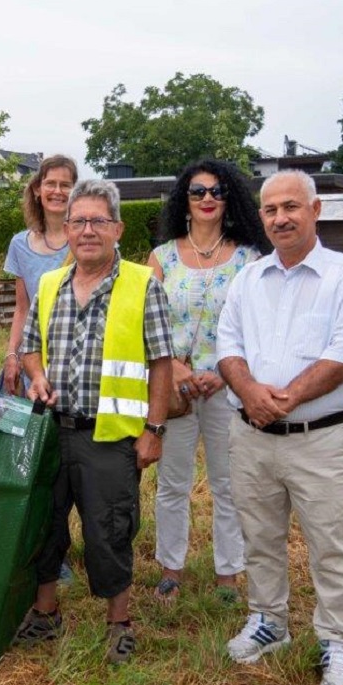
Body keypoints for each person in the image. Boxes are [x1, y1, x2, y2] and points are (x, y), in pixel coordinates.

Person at [217, 170, 343, 685]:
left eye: (291, 207)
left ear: (315, 211)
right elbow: (228, 347)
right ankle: (269, 620)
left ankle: (335, 640)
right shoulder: (247, 279)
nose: (281, 218)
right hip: (253, 438)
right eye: (271, 210)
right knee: (259, 535)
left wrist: (279, 399)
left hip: (320, 438)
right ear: (261, 217)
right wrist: (249, 391)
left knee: (332, 544)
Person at [14, 179, 173, 665]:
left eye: (97, 221)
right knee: (43, 524)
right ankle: (45, 614)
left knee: (110, 530)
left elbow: (162, 362)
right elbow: (27, 348)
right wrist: (36, 376)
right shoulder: (48, 285)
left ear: (117, 228)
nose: (86, 230)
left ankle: (119, 622)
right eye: (77, 221)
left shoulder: (143, 285)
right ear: (66, 228)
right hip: (50, 431)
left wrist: (155, 430)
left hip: (109, 437)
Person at [148, 159, 270, 604]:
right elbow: (150, 324)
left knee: (228, 483)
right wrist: (175, 371)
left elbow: (257, 325)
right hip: (174, 387)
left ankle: (228, 575)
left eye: (217, 191)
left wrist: (222, 373)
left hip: (229, 385)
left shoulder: (249, 258)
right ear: (184, 199)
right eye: (197, 191)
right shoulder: (160, 258)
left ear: (229, 199)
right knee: (173, 482)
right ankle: (170, 570)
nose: (207, 199)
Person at [2, 154, 78, 394]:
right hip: (34, 356)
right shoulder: (19, 245)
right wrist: (12, 354)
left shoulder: (88, 240)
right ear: (37, 189)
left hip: (77, 354)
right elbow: (22, 309)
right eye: (50, 183)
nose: (58, 191)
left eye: (65, 185)